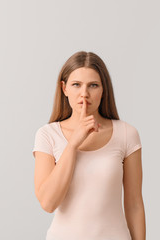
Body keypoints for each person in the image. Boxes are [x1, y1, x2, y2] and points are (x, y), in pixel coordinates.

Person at [32, 51, 146, 240]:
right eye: (76, 85)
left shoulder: (127, 134)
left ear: (103, 90)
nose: (84, 94)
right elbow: (48, 202)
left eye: (93, 85)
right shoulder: (48, 135)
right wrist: (73, 144)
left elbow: (134, 205)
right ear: (64, 88)